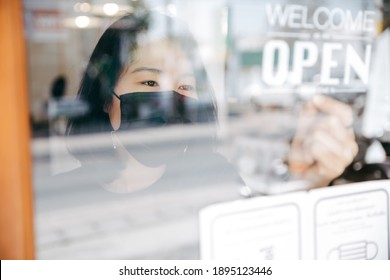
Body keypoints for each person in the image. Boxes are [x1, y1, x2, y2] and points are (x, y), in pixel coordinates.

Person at [65, 10, 357, 193]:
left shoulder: (215, 179)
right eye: (150, 82)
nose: (171, 100)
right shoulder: (63, 198)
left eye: (185, 85)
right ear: (106, 99)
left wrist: (309, 178)